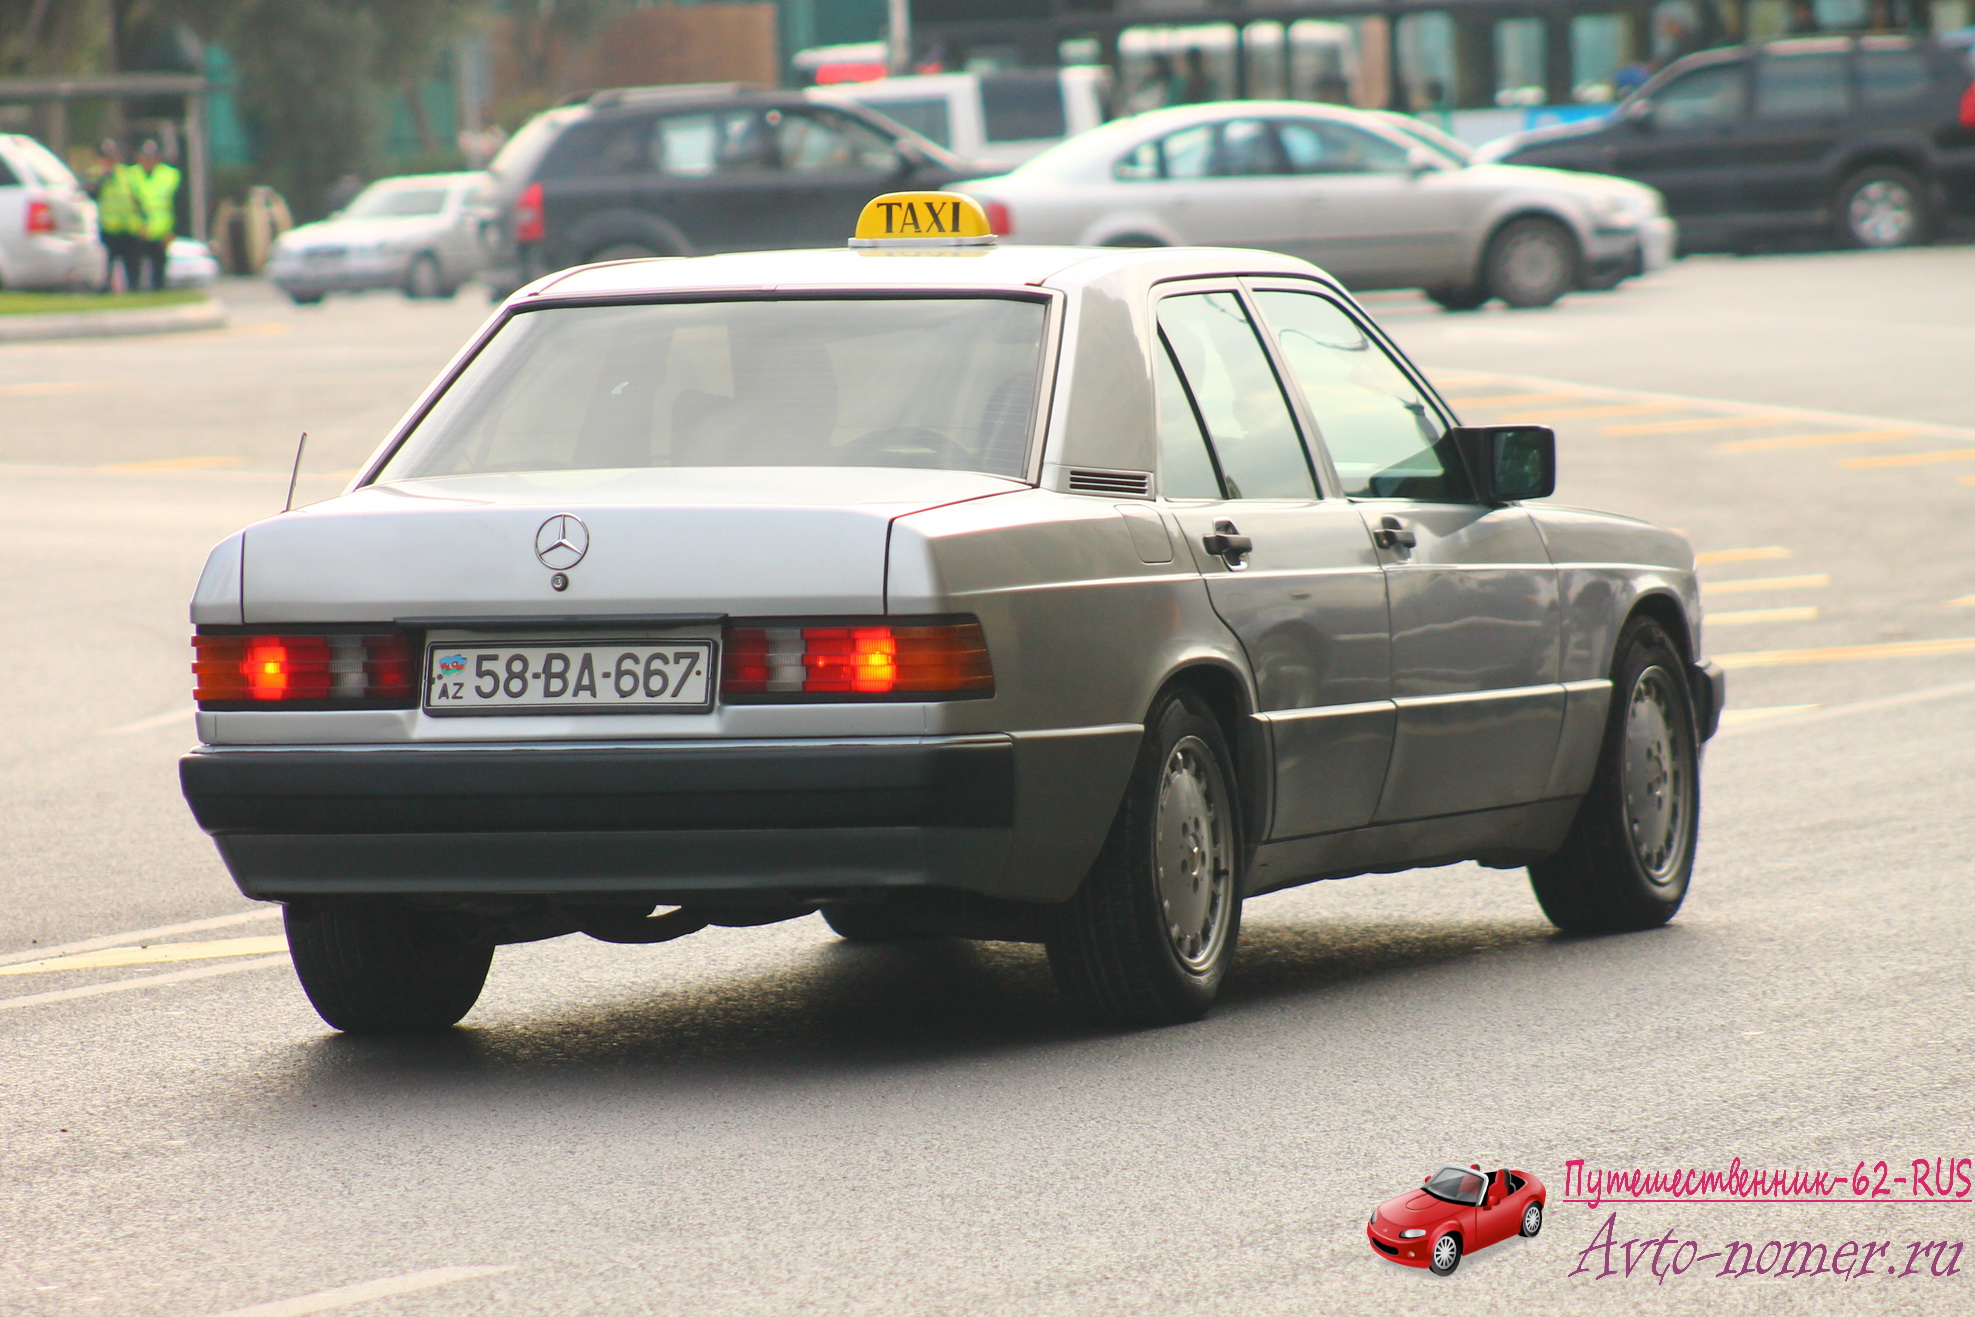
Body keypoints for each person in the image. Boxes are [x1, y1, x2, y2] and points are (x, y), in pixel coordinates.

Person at [125, 140, 181, 292]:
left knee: (159, 272)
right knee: (134, 270)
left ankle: (159, 292)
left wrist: (172, 231)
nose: (148, 161)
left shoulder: (170, 175)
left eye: (152, 157)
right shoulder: (130, 175)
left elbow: (177, 205)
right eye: (145, 157)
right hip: (137, 231)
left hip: (160, 232)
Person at [88, 140, 139, 292]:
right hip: (108, 228)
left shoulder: (127, 173)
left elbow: (138, 198)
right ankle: (106, 290)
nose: (108, 161)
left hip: (128, 228)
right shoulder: (95, 174)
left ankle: (133, 290)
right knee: (107, 266)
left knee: (132, 267)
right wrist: (103, 177)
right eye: (105, 157)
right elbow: (91, 194)